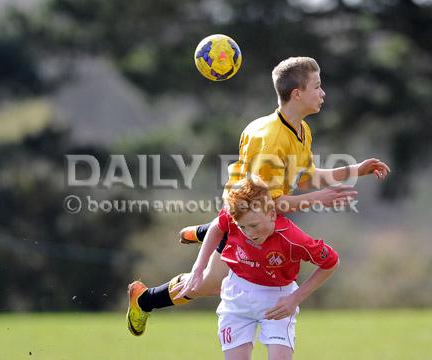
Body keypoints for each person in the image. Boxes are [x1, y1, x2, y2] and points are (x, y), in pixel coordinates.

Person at [126, 57, 390, 336]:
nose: (323, 93)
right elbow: (269, 204)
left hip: (254, 213)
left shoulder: (300, 129)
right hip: (246, 216)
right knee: (210, 284)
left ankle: (207, 231)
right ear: (297, 94)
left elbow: (305, 177)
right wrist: (318, 198)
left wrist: (355, 170)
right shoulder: (271, 139)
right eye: (317, 86)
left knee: (216, 279)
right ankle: (145, 299)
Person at [195, 176, 339, 360]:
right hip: (236, 294)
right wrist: (198, 269)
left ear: (272, 213)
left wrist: (295, 298)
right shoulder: (235, 214)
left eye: (254, 225)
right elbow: (216, 226)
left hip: (277, 300)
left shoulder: (294, 239)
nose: (249, 234)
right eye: (243, 227)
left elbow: (331, 262)